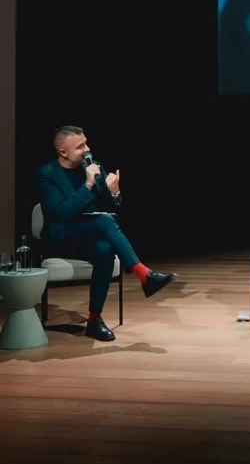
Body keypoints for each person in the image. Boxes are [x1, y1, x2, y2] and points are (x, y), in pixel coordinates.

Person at [36, 126, 178, 342]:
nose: (87, 149)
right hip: (62, 238)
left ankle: (95, 319)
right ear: (63, 152)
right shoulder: (46, 175)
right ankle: (143, 274)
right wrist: (88, 184)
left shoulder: (93, 166)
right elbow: (62, 213)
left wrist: (115, 192)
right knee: (104, 222)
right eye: (80, 146)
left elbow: (113, 211)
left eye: (86, 143)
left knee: (105, 248)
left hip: (88, 235)